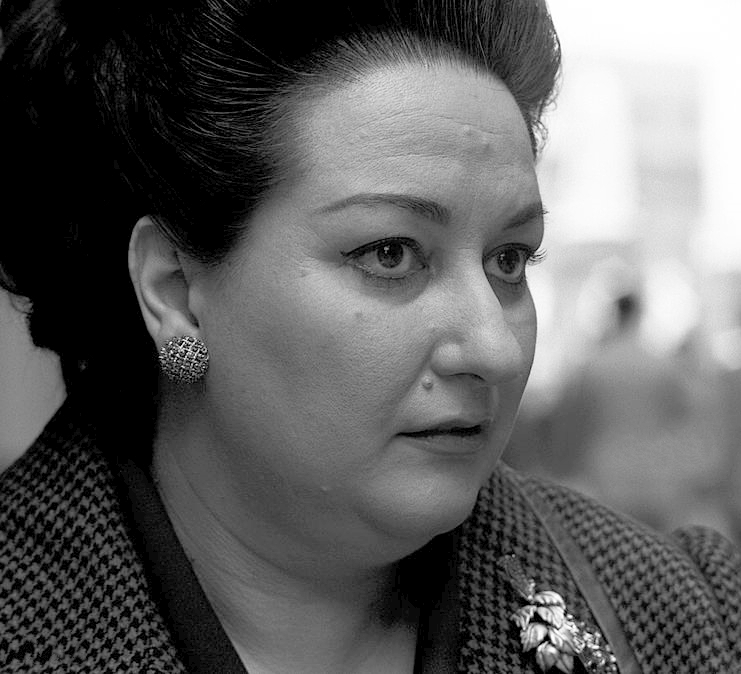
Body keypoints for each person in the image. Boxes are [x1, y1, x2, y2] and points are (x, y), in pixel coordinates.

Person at [0, 1, 738, 672]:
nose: (495, 348)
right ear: (175, 293)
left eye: (509, 260)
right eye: (391, 254)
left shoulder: (673, 615)